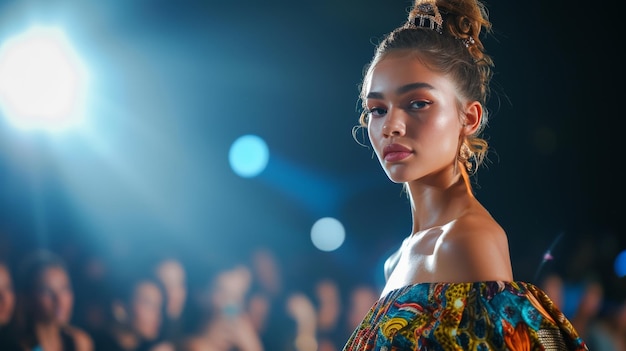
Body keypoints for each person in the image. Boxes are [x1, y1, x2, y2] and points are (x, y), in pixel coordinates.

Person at [341, 0, 588, 349]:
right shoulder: (397, 259)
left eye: (417, 103)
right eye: (377, 110)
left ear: (468, 118)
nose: (391, 127)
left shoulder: (468, 240)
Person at [13, 249, 93, 351]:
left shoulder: (80, 342)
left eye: (64, 288)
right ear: (27, 298)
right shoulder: (17, 345)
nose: (59, 300)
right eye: (47, 291)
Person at [92, 270, 174, 351]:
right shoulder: (91, 345)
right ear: (120, 308)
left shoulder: (158, 346)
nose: (158, 314)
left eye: (159, 306)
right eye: (149, 304)